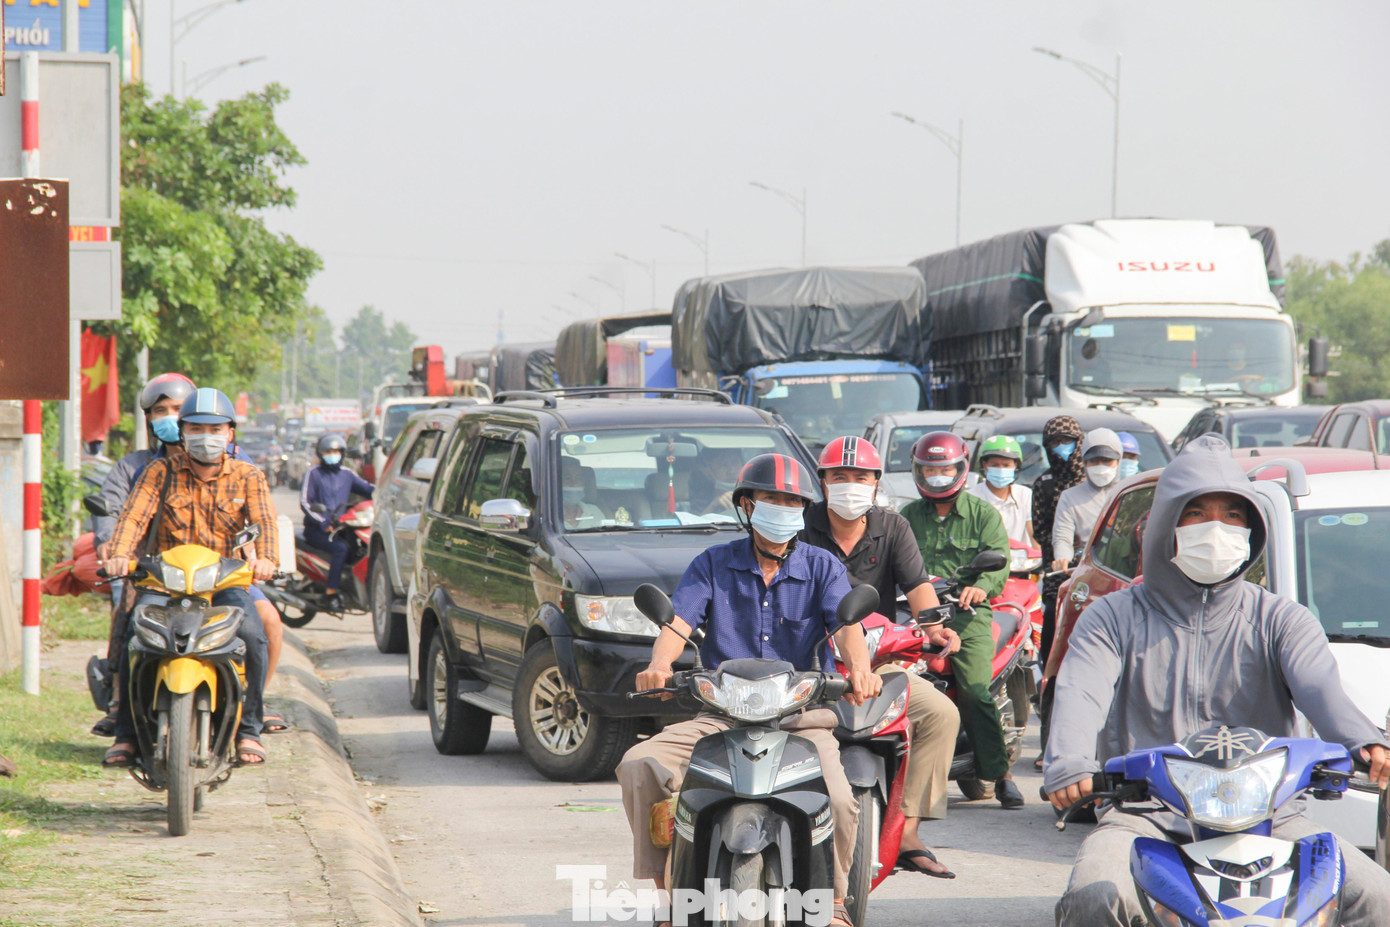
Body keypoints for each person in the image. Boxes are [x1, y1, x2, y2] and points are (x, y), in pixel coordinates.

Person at [1045, 434, 1390, 926]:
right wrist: (1070, 762)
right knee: (1095, 895)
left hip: (1273, 820)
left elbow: (1321, 689)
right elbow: (1082, 691)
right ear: (1165, 526)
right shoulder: (1111, 617)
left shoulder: (1280, 618)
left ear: (1252, 530)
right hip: (1148, 817)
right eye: (1196, 513)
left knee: (1375, 896)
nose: (1216, 527)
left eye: (1232, 515)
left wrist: (1363, 743)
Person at [616, 453, 880, 927]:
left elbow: (847, 626)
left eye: (792, 500)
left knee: (839, 800)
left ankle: (835, 902)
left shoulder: (822, 566)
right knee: (640, 766)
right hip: (720, 716)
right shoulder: (713, 563)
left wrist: (859, 671)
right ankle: (669, 894)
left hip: (801, 717)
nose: (782, 507)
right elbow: (679, 620)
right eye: (771, 498)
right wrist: (658, 665)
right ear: (746, 505)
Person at [799, 436, 963, 878]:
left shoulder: (893, 527)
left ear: (875, 484)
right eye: (839, 477)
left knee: (941, 714)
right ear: (822, 482)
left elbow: (917, 587)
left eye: (860, 477)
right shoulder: (798, 525)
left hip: (877, 659)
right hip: (808, 662)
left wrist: (934, 629)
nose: (850, 485)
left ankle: (907, 833)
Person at [90, 374, 286, 737]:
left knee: (256, 634)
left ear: (230, 433)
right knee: (135, 636)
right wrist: (118, 553)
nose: (205, 436)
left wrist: (267, 560)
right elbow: (132, 517)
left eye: (215, 429)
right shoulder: (156, 471)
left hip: (223, 580)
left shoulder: (248, 475)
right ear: (183, 432)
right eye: (196, 428)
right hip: (165, 580)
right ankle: (127, 733)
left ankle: (249, 729)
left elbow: (265, 522)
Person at [900, 432, 1021, 809]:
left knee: (973, 690)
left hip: (965, 614)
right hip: (912, 613)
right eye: (930, 469)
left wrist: (981, 587)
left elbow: (999, 562)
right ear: (918, 471)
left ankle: (1001, 776)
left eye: (945, 469)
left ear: (961, 469)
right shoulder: (905, 516)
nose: (937, 476)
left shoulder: (983, 514)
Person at [300, 433, 375, 610]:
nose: (332, 454)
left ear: (342, 453)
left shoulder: (347, 474)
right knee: (341, 549)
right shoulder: (314, 473)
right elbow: (305, 502)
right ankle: (331, 593)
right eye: (328, 451)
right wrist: (323, 522)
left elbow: (369, 490)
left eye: (336, 451)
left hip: (341, 528)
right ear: (320, 453)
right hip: (317, 530)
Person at [1050, 428, 1123, 573]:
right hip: (1088, 570)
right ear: (1084, 462)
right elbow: (1062, 538)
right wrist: (1063, 558)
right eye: (1093, 461)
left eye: (1106, 460)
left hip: (1126, 570)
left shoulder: (1130, 492)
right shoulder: (1070, 497)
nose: (1100, 466)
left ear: (1118, 460)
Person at [967, 434, 1034, 549]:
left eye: (1006, 465)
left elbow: (1033, 535)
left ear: (1015, 465)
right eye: (995, 465)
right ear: (985, 465)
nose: (1001, 469)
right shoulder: (971, 498)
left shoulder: (1025, 495)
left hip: (1021, 562)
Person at [686, 446, 742, 515]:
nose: (732, 471)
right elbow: (694, 524)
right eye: (724, 465)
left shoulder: (752, 492)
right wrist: (713, 506)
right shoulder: (699, 500)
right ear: (708, 472)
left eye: (735, 462)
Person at [558, 456, 606, 529]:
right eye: (567, 478)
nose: (573, 483)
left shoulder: (594, 511)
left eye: (578, 479)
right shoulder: (547, 516)